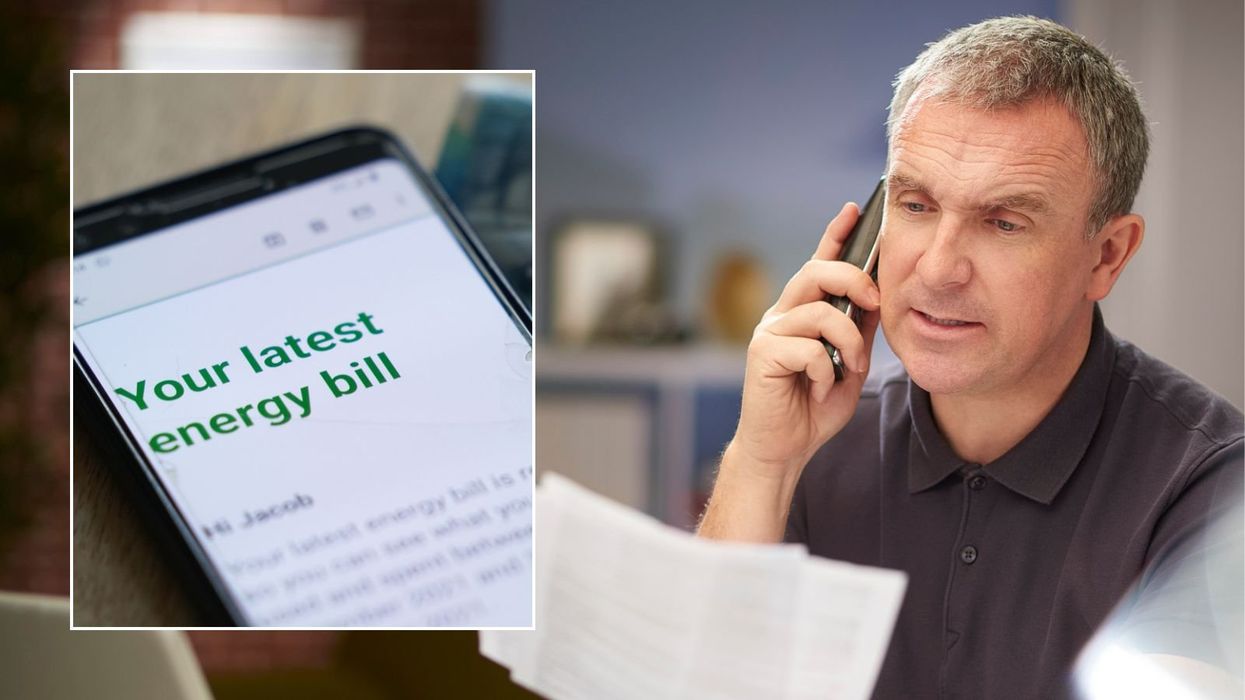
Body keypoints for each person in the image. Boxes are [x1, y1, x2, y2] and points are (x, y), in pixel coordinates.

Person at [698, 16, 1243, 698]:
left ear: (1105, 255)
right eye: (916, 205)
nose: (937, 268)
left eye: (1004, 222)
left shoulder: (1212, 488)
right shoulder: (814, 441)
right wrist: (760, 462)